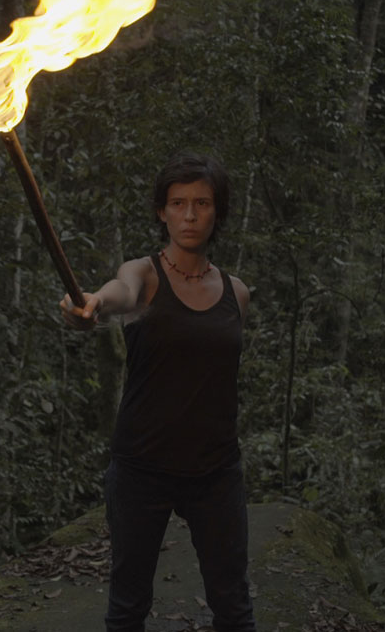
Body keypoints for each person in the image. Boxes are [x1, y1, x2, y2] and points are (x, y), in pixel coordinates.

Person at [60, 151, 256, 632]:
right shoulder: (143, 275)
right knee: (128, 607)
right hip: (142, 468)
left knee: (233, 606)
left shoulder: (237, 293)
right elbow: (118, 293)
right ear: (161, 211)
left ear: (218, 212)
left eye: (202, 204)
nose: (189, 215)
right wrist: (94, 303)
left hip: (215, 470)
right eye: (178, 203)